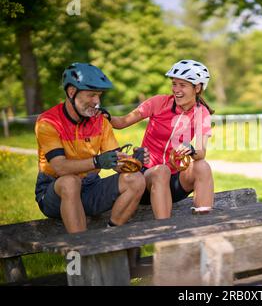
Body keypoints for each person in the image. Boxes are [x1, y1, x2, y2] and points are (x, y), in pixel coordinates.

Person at [34, 62, 149, 233]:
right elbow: (60, 167)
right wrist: (97, 161)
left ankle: (110, 236)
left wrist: (134, 162)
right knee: (70, 182)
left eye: (99, 95)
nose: (97, 102)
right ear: (72, 92)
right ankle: (83, 250)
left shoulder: (100, 120)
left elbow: (115, 161)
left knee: (136, 179)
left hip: (90, 186)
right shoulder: (48, 122)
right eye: (91, 95)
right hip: (54, 192)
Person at [110, 59, 214, 219]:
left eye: (182, 85)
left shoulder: (202, 113)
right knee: (161, 171)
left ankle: (205, 221)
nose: (176, 90)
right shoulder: (159, 102)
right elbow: (121, 122)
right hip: (147, 179)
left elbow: (201, 153)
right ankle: (165, 231)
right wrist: (104, 115)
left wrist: (192, 150)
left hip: (174, 183)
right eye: (174, 84)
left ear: (197, 87)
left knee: (202, 166)